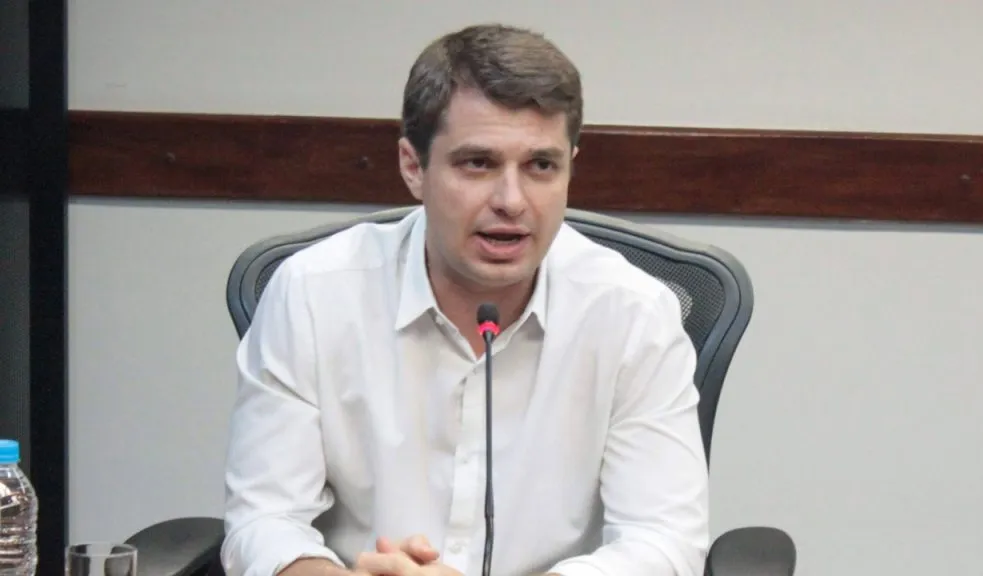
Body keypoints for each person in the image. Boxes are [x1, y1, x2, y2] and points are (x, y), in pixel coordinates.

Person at [220, 23, 709, 576]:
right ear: (413, 167)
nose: (512, 201)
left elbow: (664, 542)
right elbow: (265, 522)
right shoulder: (313, 294)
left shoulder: (633, 312)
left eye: (541, 166)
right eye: (478, 163)